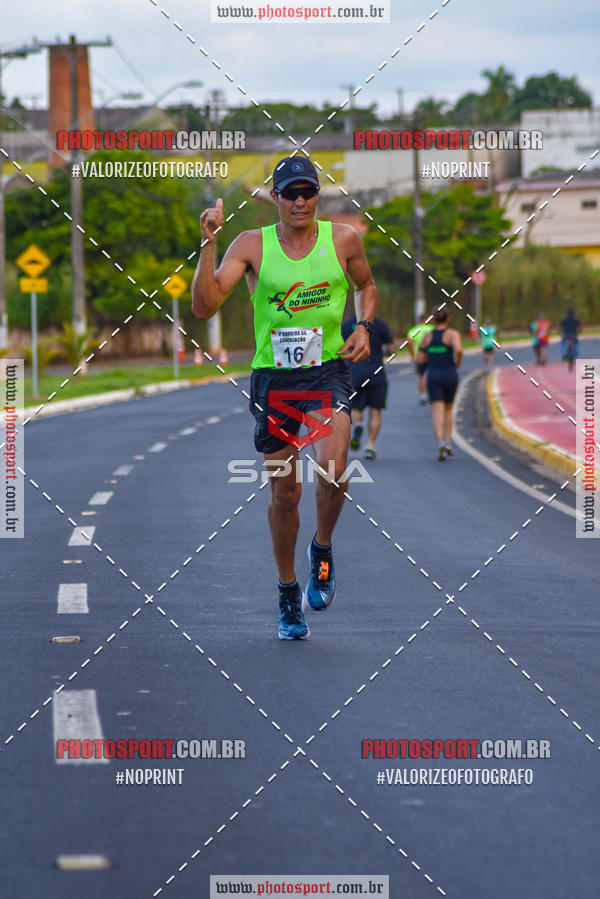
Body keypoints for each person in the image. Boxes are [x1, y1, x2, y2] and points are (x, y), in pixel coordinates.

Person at [191, 156, 377, 641]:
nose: (300, 201)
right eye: (290, 192)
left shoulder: (344, 240)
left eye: (308, 192)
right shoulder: (252, 245)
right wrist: (208, 243)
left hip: (328, 372)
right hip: (275, 379)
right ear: (275, 197)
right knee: (286, 492)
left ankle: (322, 548)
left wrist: (364, 324)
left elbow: (367, 284)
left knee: (336, 469)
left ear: (318, 194)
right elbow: (205, 304)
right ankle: (287, 589)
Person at [341, 315, 396, 459]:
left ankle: (358, 424)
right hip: (376, 373)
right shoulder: (380, 324)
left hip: (354, 373)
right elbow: (392, 349)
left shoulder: (346, 326)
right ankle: (370, 445)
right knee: (376, 411)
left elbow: (340, 350)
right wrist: (383, 351)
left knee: (355, 408)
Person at [417, 307, 463, 460]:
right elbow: (459, 350)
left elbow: (420, 358)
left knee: (437, 410)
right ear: (448, 319)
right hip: (450, 374)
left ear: (434, 320)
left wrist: (424, 364)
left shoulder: (427, 336)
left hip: (433, 375)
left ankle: (440, 443)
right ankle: (448, 441)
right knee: (448, 409)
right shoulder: (453, 334)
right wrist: (458, 363)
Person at [407, 314, 434, 403]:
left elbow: (409, 342)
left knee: (421, 376)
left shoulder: (415, 330)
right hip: (432, 354)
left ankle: (423, 395)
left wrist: (412, 354)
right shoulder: (432, 329)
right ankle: (433, 393)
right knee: (432, 374)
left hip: (420, 355)